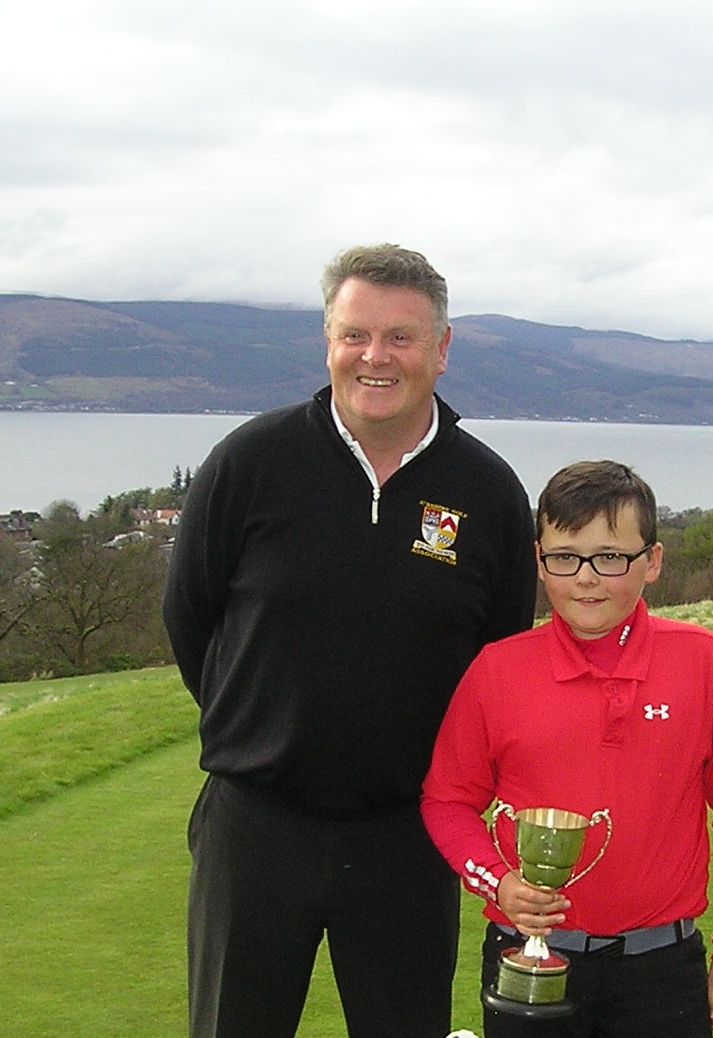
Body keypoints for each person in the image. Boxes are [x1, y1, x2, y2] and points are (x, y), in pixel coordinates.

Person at [162, 243, 538, 1038]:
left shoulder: (488, 491)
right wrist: (265, 726)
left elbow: (497, 658)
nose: (375, 357)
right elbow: (190, 619)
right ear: (327, 341)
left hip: (407, 835)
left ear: (441, 350)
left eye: (400, 337)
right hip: (254, 827)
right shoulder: (249, 463)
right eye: (355, 334)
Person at [421, 460, 713, 1037]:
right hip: (527, 956)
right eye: (565, 557)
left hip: (663, 968)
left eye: (610, 557)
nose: (586, 578)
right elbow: (446, 802)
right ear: (540, 562)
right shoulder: (498, 669)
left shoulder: (704, 661)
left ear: (653, 562)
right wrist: (497, 882)